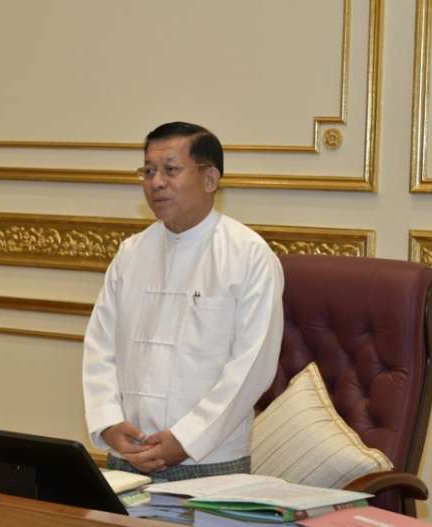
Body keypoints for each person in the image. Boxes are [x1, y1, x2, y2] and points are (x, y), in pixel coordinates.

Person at [82, 122, 284, 482]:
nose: (156, 182)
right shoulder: (131, 253)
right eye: (148, 171)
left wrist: (187, 439)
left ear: (210, 179)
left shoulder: (249, 255)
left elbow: (251, 367)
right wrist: (109, 423)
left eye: (170, 170)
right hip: (129, 457)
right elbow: (100, 347)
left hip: (211, 462)